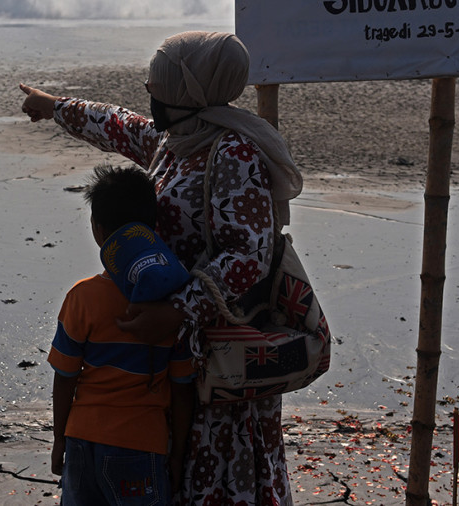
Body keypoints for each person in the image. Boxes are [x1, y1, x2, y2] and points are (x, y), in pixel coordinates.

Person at [22, 31, 304, 506]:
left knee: (214, 477)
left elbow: (249, 256)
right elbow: (118, 124)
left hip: (216, 356)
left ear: (188, 90)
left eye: (160, 83)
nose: (150, 92)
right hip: (174, 352)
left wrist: (179, 310)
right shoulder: (176, 141)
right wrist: (55, 107)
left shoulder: (233, 153)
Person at [49, 163, 196, 505]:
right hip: (141, 444)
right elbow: (182, 388)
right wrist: (178, 455)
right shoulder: (173, 305)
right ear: (153, 229)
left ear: (97, 230)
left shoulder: (82, 297)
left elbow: (65, 377)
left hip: (82, 439)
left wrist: (59, 439)